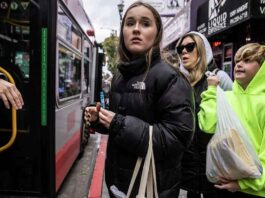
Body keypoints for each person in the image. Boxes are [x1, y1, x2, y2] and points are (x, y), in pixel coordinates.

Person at [84, 2, 195, 197]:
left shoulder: (170, 78)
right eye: (129, 23)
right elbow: (119, 123)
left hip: (153, 187)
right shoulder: (120, 77)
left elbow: (177, 137)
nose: (136, 29)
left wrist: (118, 123)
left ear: (157, 33)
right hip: (117, 183)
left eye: (145, 24)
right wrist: (99, 119)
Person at [198, 42, 265, 198]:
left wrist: (243, 184)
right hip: (224, 182)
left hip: (255, 190)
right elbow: (207, 125)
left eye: (247, 60)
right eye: (237, 61)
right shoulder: (226, 97)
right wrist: (212, 91)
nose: (239, 65)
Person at [175, 31, 233, 198]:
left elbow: (235, 113)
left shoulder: (219, 77)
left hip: (216, 163)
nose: (184, 52)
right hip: (190, 166)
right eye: (180, 49)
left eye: (189, 47)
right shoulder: (181, 82)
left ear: (201, 49)